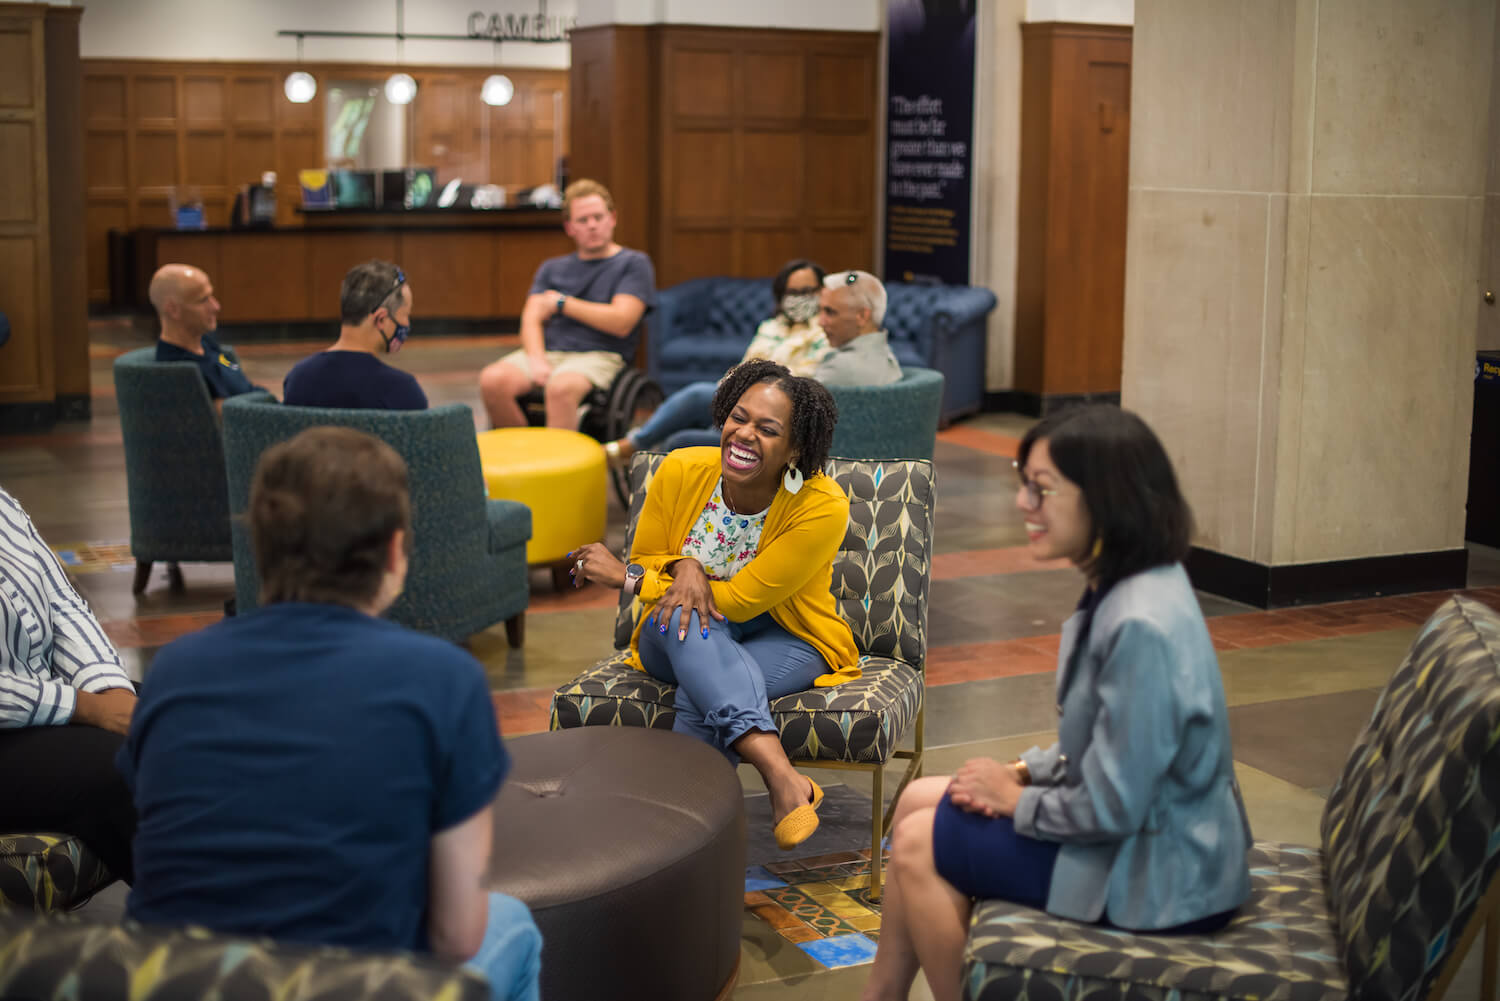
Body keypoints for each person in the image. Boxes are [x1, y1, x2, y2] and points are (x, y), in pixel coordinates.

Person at [117, 427, 540, 1001]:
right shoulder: (444, 680)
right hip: (348, 983)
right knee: (512, 924)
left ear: (261, 548)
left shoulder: (174, 671)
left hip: (174, 981)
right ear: (394, 552)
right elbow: (456, 934)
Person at [859, 405, 1251, 1001]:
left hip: (1162, 871)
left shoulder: (1140, 621)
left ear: (1107, 498)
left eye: (1041, 489)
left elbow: (1113, 807)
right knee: (916, 796)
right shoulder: (1130, 581)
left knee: (916, 846)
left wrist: (1015, 798)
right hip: (1145, 828)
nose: (1022, 503)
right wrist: (1023, 772)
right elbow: (1102, 747)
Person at [569, 359, 857, 850]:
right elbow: (651, 557)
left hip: (787, 637)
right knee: (689, 623)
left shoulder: (821, 505)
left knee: (704, 695)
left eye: (768, 429)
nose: (744, 435)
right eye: (738, 417)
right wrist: (687, 567)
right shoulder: (681, 468)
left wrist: (628, 579)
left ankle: (678, 847)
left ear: (795, 448)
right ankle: (782, 776)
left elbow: (740, 603)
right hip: (675, 629)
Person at [0, 487, 137, 884]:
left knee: (188, 719)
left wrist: (114, 692)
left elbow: (63, 602)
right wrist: (85, 707)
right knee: (128, 766)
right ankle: (217, 931)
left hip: (45, 704)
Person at [602, 259, 830, 468]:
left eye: (807, 291)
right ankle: (638, 446)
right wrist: (731, 389)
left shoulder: (825, 331)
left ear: (822, 292)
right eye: (792, 292)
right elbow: (746, 366)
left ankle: (635, 445)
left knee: (687, 422)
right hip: (741, 395)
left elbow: (804, 382)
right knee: (697, 399)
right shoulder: (771, 327)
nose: (799, 298)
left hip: (776, 407)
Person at [478, 179, 656, 429]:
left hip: (600, 355)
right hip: (550, 352)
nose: (592, 225)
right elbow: (531, 318)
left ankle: (558, 466)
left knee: (560, 387)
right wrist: (537, 359)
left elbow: (622, 322)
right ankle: (523, 456)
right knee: (492, 380)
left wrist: (562, 303)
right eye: (583, 220)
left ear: (612, 218)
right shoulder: (552, 268)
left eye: (598, 217)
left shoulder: (633, 263)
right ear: (570, 227)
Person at [282, 259, 427, 410]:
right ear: (381, 319)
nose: (407, 324)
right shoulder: (402, 390)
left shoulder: (298, 379)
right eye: (406, 314)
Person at [150, 264, 263, 400]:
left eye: (211, 296)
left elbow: (236, 376)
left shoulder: (207, 345)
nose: (216, 307)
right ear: (173, 309)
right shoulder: (182, 373)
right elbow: (229, 415)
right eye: (203, 300)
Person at [815, 270, 901, 387]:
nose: (820, 322)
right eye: (819, 310)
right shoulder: (888, 357)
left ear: (862, 316)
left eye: (830, 312)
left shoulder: (840, 368)